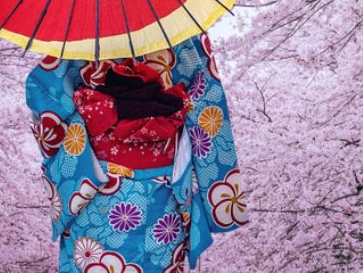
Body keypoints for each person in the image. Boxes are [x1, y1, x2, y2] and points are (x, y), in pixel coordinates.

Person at [26, 33, 247, 273]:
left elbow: (47, 109)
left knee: (94, 262)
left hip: (94, 184)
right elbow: (207, 109)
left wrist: (95, 118)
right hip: (164, 188)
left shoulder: (77, 35)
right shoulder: (181, 29)